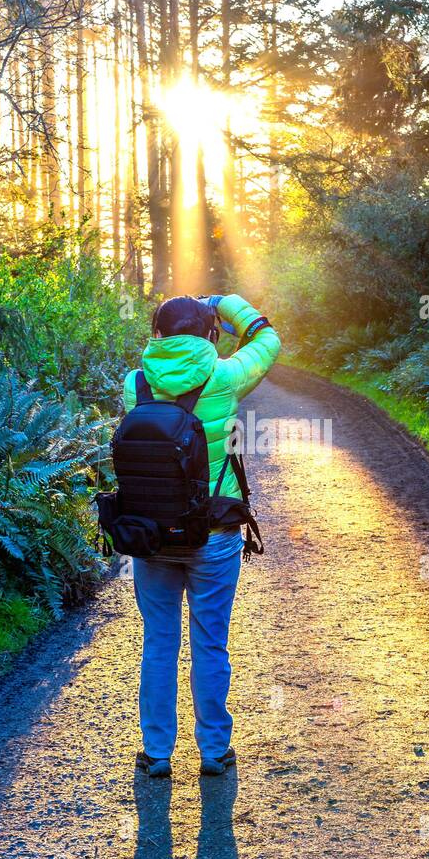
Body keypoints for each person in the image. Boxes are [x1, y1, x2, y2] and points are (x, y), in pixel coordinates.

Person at [123, 293, 281, 779]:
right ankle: (214, 750)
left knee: (159, 642)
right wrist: (225, 303)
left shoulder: (135, 382)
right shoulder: (226, 376)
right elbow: (268, 338)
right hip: (213, 532)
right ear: (209, 333)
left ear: (157, 333)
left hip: (151, 534)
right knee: (210, 642)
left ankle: (157, 752)